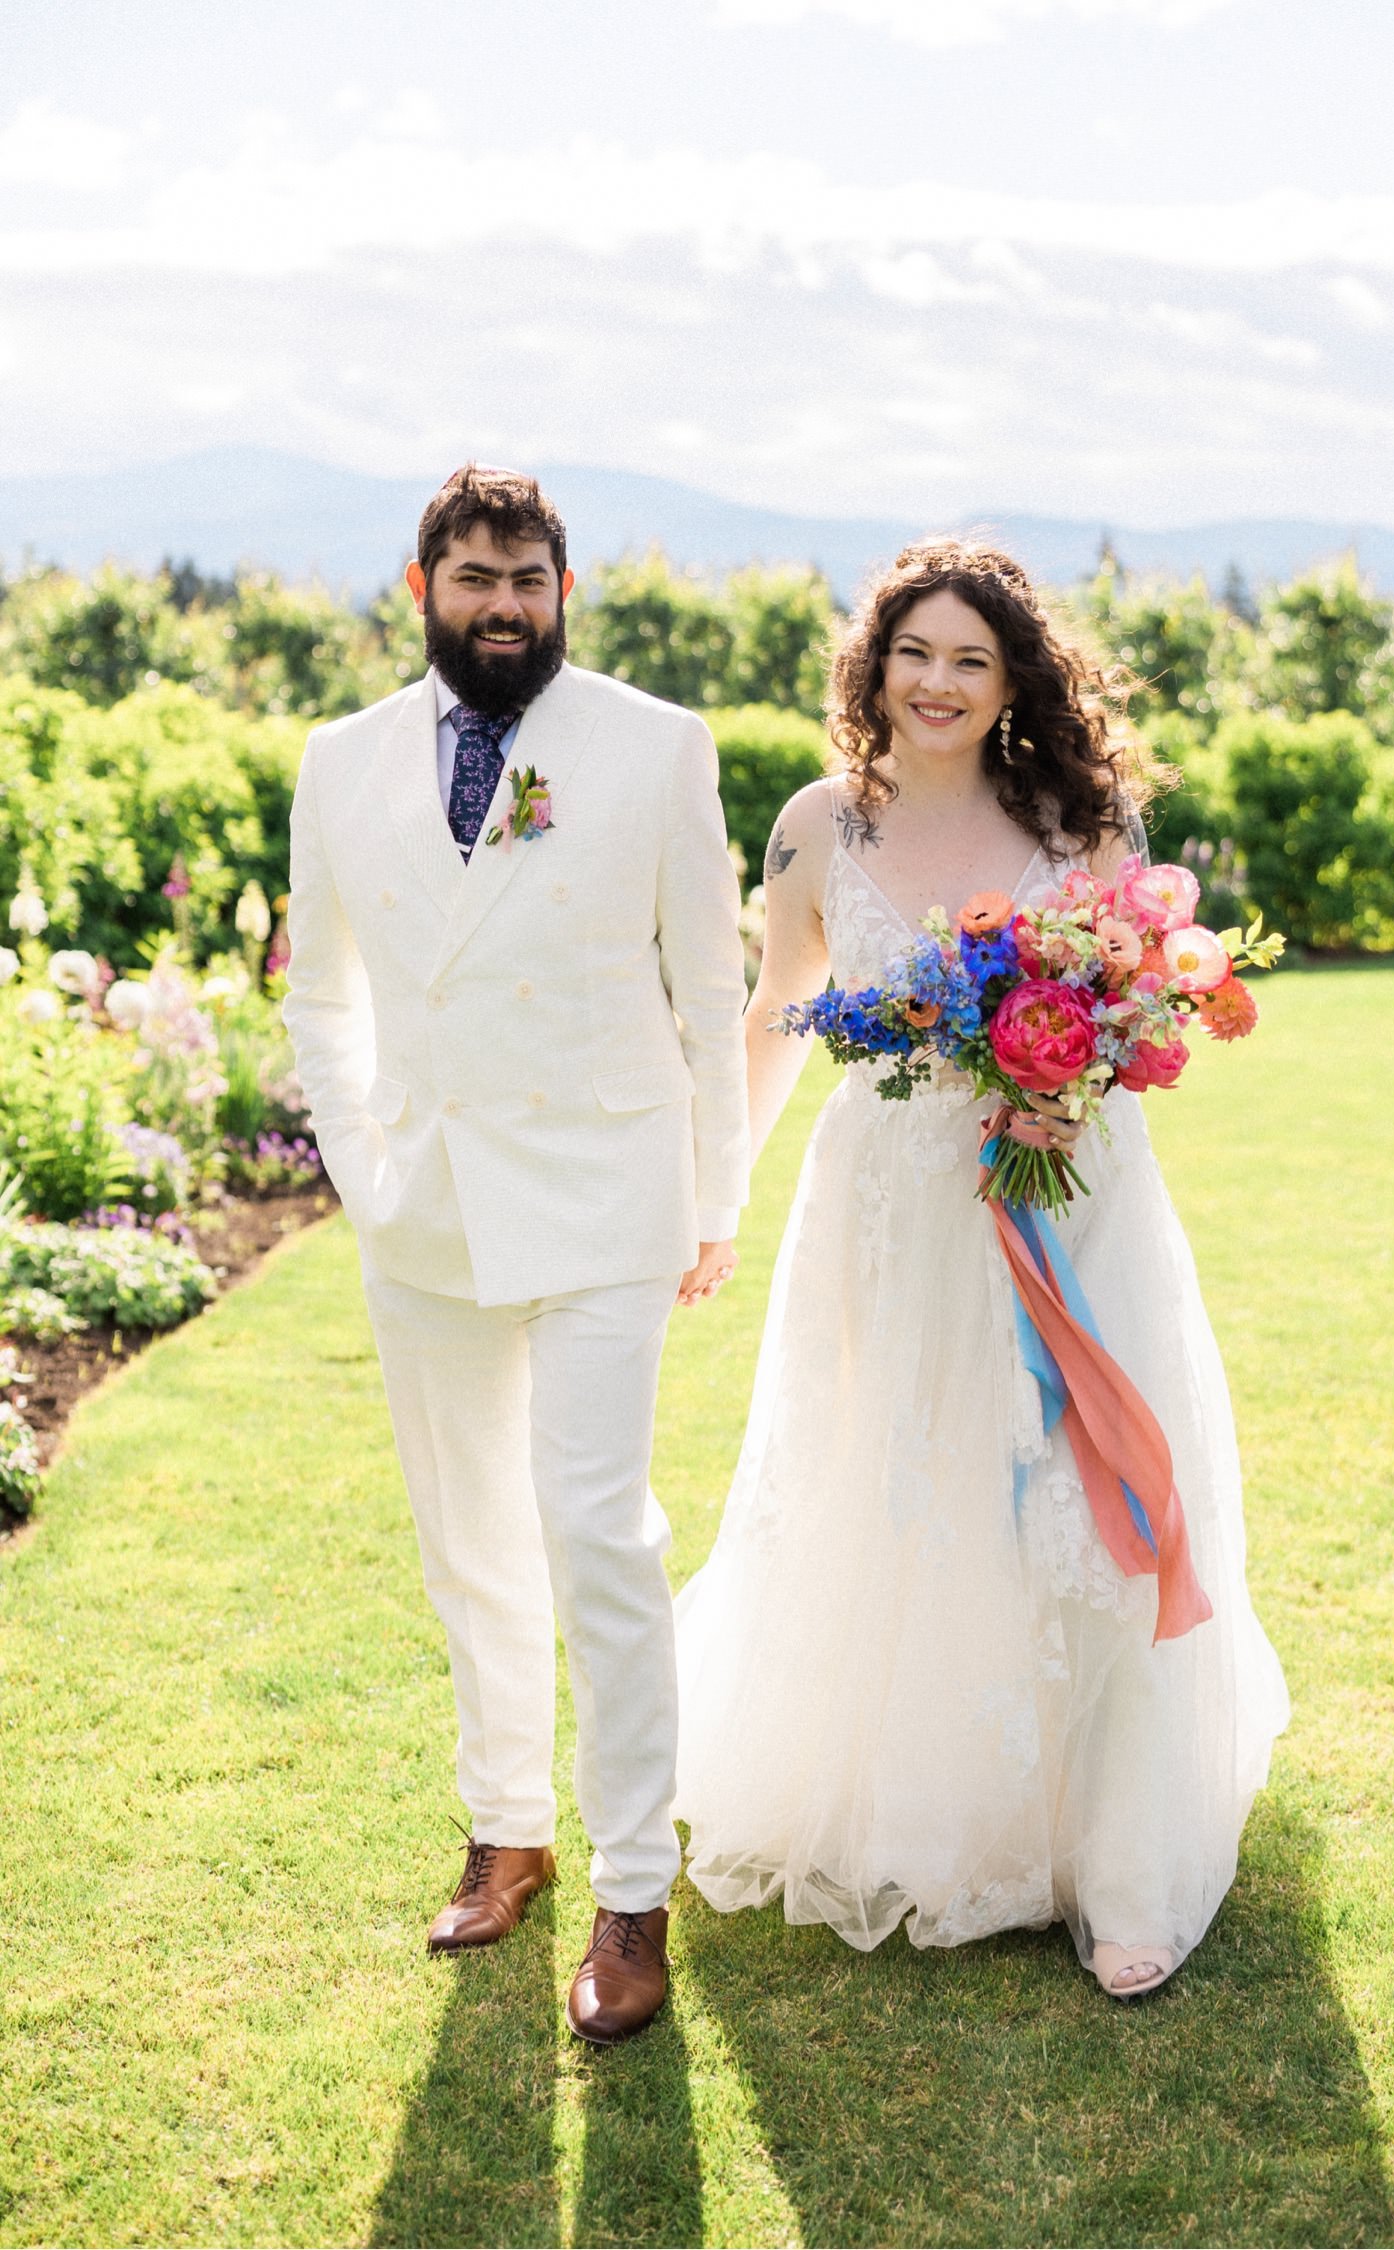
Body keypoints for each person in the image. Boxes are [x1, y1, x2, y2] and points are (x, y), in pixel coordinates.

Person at [674, 538, 1288, 1999]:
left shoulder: (1079, 819)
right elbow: (778, 1009)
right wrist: (720, 1194)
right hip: (888, 1204)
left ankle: (1115, 1851)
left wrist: (1066, 1089)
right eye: (915, 653)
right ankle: (933, 1814)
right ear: (872, 667)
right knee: (903, 1478)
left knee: (1079, 1498)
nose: (938, 683)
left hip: (1065, 1194)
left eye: (972, 659)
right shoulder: (817, 828)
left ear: (1013, 679)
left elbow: (1137, 1001)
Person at [283, 463, 750, 2044]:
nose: (504, 605)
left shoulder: (654, 744)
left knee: (597, 1532)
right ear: (423, 589)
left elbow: (710, 990)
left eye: (529, 579)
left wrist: (717, 1197)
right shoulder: (337, 762)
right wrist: (364, 1162)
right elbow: (319, 994)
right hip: (425, 1204)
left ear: (565, 590)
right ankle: (507, 1830)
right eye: (475, 578)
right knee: (465, 1536)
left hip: (610, 1191)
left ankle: (632, 1885)